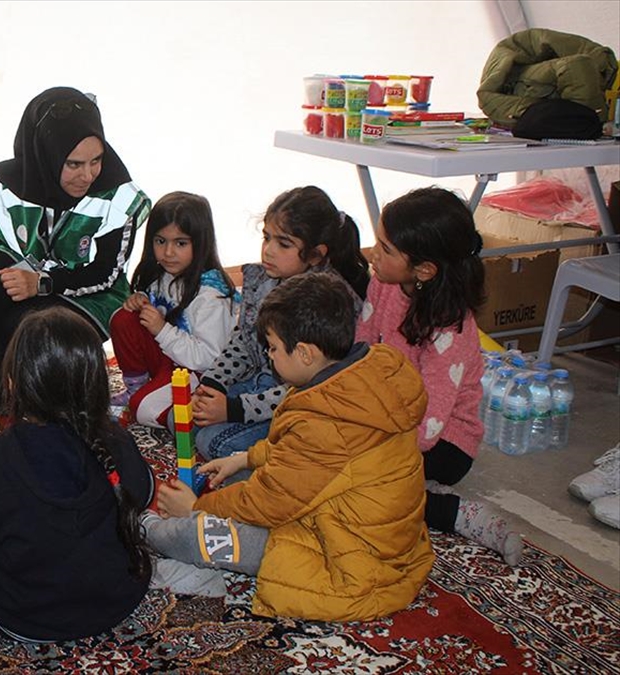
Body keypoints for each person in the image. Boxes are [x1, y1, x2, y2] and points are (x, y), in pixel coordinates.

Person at [143, 273, 434, 622]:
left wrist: (198, 507)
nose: (269, 355)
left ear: (306, 354)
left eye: (273, 348)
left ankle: (144, 526)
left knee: (199, 534)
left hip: (347, 557)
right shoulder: (359, 375)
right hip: (362, 529)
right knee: (238, 481)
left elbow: (269, 502)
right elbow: (304, 455)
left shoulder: (326, 420)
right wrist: (244, 458)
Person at [0, 306, 156, 675]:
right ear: (97, 382)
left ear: (13, 383)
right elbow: (142, 495)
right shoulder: (115, 441)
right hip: (120, 597)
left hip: (26, 618)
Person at [357, 187, 522, 565]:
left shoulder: (451, 330)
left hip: (443, 443)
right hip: (385, 421)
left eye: (385, 249)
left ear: (425, 270)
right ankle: (409, 486)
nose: (373, 254)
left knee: (358, 483)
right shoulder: (383, 282)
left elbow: (427, 429)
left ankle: (457, 513)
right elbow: (361, 347)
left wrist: (365, 441)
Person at [0, 86, 152, 402]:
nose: (88, 175)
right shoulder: (7, 183)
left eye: (96, 160)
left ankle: (53, 405)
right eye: (74, 164)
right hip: (30, 284)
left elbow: (105, 274)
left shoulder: (117, 196)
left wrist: (43, 284)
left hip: (90, 297)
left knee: (33, 327)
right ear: (44, 156)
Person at [191, 185, 370, 461]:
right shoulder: (263, 280)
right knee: (186, 416)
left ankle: (286, 464)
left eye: (283, 244)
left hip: (300, 404)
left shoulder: (326, 301)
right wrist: (214, 384)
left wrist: (234, 409)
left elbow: (307, 389)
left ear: (315, 254)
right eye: (267, 238)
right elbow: (242, 339)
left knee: (213, 442)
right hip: (261, 386)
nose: (268, 251)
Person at [108, 191, 240, 428]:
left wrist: (161, 329)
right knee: (124, 318)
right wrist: (141, 300)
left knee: (142, 408)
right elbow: (159, 305)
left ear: (200, 243)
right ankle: (138, 388)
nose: (168, 252)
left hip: (200, 372)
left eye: (180, 243)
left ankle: (190, 415)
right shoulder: (165, 274)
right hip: (171, 357)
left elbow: (208, 359)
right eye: (160, 241)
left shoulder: (212, 295)